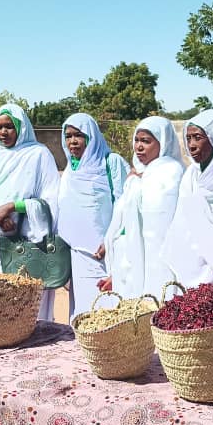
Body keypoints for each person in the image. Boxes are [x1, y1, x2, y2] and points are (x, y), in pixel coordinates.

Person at [0, 104, 60, 320]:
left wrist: (15, 207)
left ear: (21, 127)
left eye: (9, 127)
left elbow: (50, 201)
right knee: (1, 306)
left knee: (29, 309)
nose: (3, 132)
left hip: (31, 244)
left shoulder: (39, 155)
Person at [56, 113, 130, 319]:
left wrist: (111, 239)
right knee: (84, 314)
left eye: (79, 135)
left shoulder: (111, 163)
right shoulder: (71, 169)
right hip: (77, 256)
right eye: (68, 136)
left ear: (91, 136)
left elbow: (126, 205)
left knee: (110, 312)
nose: (72, 141)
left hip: (107, 255)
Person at [102, 117, 185, 299]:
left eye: (146, 141)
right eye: (137, 140)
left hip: (159, 257)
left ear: (163, 142)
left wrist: (139, 182)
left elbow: (163, 220)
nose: (139, 146)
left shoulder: (171, 172)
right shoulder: (137, 174)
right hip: (132, 259)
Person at [161, 109, 213, 287]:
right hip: (194, 265)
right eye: (188, 138)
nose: (191, 145)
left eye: (198, 137)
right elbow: (182, 222)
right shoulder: (191, 175)